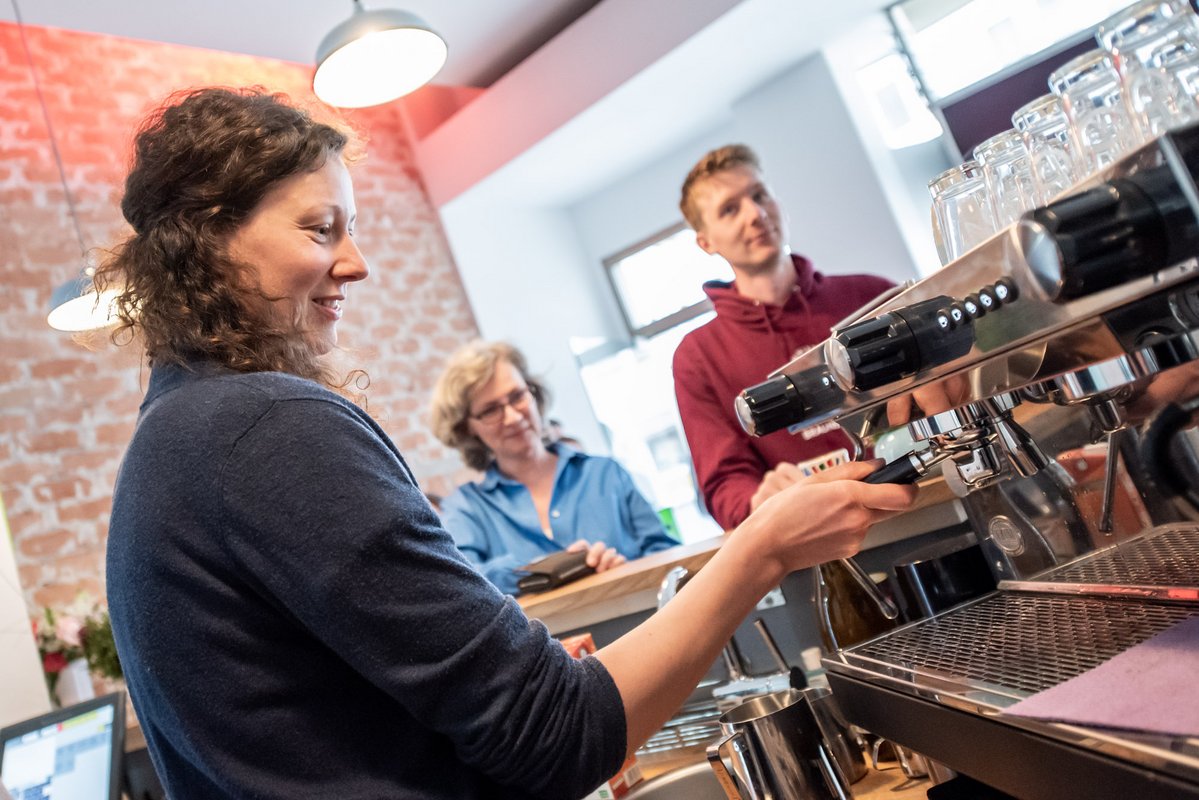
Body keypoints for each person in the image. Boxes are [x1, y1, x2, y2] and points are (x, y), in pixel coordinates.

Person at [100, 87, 917, 800]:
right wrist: (763, 549)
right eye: (321, 229)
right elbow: (557, 735)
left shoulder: (172, 436)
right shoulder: (266, 427)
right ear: (209, 237)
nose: (356, 265)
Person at [673, 144, 899, 530]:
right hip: (818, 542)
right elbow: (725, 484)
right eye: (730, 209)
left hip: (926, 498)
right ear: (706, 242)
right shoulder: (697, 358)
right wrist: (758, 499)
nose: (756, 214)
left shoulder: (873, 297)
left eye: (759, 195)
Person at [429, 341, 677, 593]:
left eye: (517, 396)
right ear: (468, 427)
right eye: (491, 410)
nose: (513, 417)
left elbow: (670, 560)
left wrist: (627, 571)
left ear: (533, 393)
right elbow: (463, 582)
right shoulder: (467, 509)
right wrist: (543, 571)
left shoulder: (605, 474)